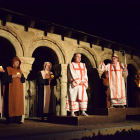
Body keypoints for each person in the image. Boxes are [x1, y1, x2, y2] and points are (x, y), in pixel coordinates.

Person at [2, 57, 25, 124]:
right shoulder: (8, 69)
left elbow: (23, 80)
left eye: (18, 63)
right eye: (16, 62)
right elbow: (4, 79)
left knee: (18, 104)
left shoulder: (19, 70)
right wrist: (13, 76)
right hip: (10, 91)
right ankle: (10, 119)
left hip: (19, 91)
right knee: (11, 103)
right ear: (13, 62)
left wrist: (21, 77)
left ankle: (18, 119)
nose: (17, 63)